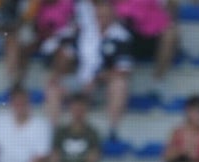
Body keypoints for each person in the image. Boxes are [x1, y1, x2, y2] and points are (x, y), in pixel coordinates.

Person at [42, 0, 133, 139]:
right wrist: (59, 71)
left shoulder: (121, 36)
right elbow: (70, 55)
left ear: (113, 14)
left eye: (105, 14)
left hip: (102, 86)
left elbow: (123, 70)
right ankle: (52, 130)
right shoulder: (85, 32)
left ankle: (113, 128)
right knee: (53, 86)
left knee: (120, 84)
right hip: (80, 81)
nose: (101, 18)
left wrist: (97, 78)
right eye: (99, 14)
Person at [114, 0, 179, 81]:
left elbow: (170, 6)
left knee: (170, 34)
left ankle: (158, 78)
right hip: (128, 32)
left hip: (153, 35)